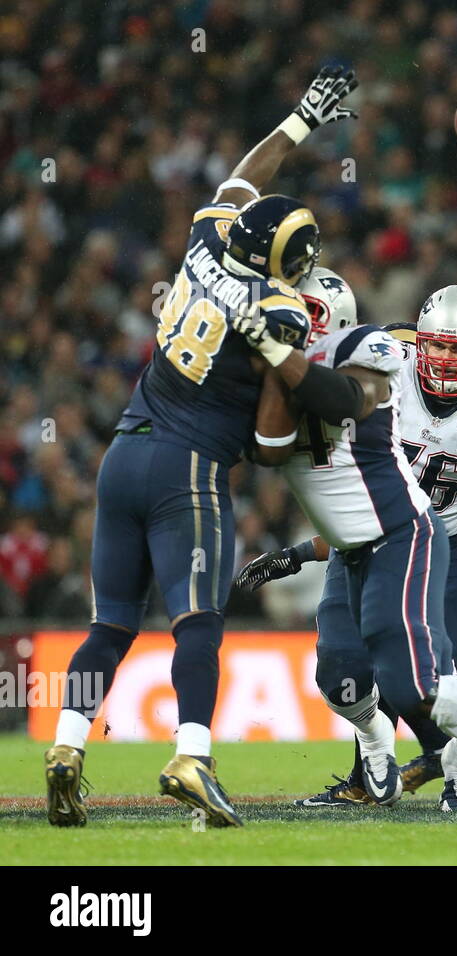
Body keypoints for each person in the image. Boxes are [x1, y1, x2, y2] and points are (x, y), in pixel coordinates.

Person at [43, 65, 360, 828]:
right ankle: (191, 755)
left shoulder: (208, 237)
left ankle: (64, 748)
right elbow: (270, 441)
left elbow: (243, 181)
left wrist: (301, 119)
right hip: (186, 469)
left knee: (109, 626)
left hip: (123, 451)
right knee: (197, 622)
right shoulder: (279, 310)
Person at [242, 282, 457, 819]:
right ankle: (381, 760)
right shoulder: (373, 375)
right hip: (366, 539)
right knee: (347, 678)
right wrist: (300, 552)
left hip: (439, 532)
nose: (444, 358)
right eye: (436, 345)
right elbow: (352, 496)